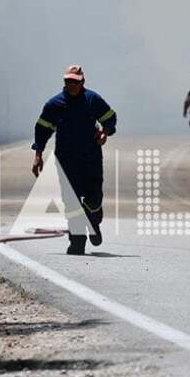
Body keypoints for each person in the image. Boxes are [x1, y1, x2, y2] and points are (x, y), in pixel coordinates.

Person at [32, 65, 117, 255]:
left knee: (94, 197)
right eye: (68, 81)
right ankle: (77, 242)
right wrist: (38, 155)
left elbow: (110, 118)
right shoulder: (55, 105)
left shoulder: (92, 100)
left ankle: (93, 221)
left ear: (82, 82)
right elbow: (42, 131)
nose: (71, 85)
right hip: (65, 161)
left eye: (75, 82)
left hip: (91, 158)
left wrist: (105, 132)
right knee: (71, 203)